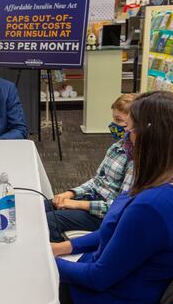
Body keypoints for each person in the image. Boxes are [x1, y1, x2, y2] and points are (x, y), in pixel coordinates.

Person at [52, 91, 173, 304]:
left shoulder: (151, 207)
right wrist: (65, 247)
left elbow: (97, 278)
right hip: (117, 276)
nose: (125, 136)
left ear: (149, 135)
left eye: (129, 128)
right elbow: (120, 232)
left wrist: (41, 259)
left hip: (108, 294)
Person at [44, 94, 135, 242]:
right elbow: (97, 180)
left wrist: (77, 204)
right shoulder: (116, 146)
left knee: (50, 221)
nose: (113, 124)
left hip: (104, 215)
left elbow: (119, 207)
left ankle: (56, 258)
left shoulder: (136, 159)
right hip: (91, 200)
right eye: (113, 118)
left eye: (119, 120)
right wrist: (70, 193)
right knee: (41, 207)